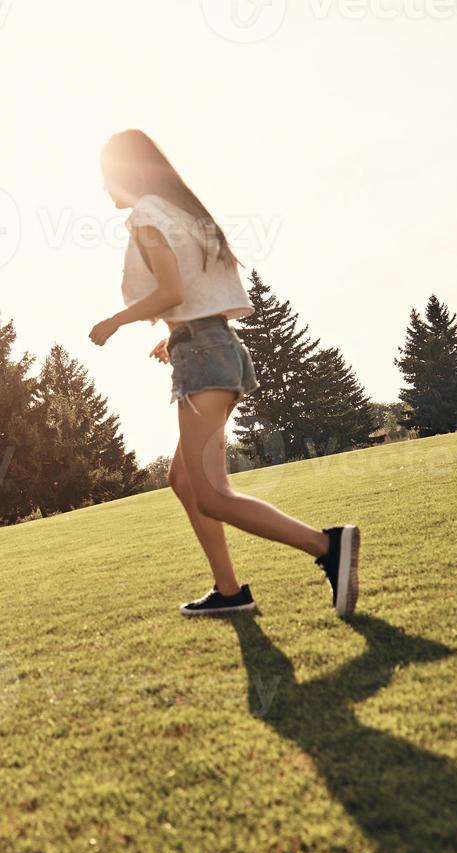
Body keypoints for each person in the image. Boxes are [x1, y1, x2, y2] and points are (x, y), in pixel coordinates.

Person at [88, 130, 360, 618]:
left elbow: (171, 291)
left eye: (107, 176)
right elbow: (193, 297)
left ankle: (327, 546)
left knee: (212, 494)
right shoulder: (179, 211)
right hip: (211, 347)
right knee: (184, 481)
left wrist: (115, 322)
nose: (104, 188)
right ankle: (229, 591)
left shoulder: (146, 215)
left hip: (205, 356)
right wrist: (175, 337)